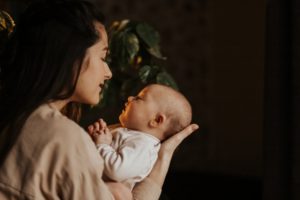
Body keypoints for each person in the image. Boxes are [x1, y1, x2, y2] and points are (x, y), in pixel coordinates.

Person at [0, 0, 199, 200]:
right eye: (102, 58)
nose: (109, 73)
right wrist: (161, 163)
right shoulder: (61, 137)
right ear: (72, 57)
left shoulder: (18, 116)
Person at [88, 84, 192, 191]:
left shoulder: (144, 146)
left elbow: (117, 170)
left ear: (156, 120)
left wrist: (102, 144)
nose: (130, 98)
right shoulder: (130, 132)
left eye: (138, 98)